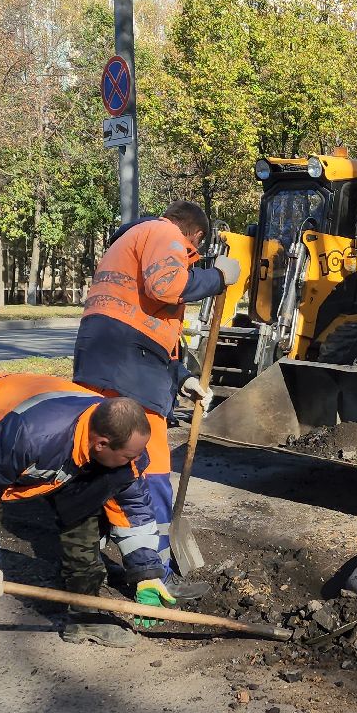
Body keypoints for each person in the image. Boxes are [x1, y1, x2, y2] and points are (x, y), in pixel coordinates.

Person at [0, 376, 169, 685]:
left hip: (54, 439)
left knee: (86, 505)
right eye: (128, 456)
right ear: (101, 444)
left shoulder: (121, 446)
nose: (135, 461)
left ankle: (83, 615)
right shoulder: (26, 435)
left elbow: (133, 511)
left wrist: (146, 571)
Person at [74, 201, 243, 586]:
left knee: (100, 458)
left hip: (103, 361)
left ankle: (85, 559)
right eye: (193, 252)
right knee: (149, 468)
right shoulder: (164, 233)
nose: (190, 259)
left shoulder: (129, 243)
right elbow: (167, 286)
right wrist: (216, 276)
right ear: (194, 236)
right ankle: (154, 572)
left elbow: (143, 322)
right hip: (131, 369)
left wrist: (181, 377)